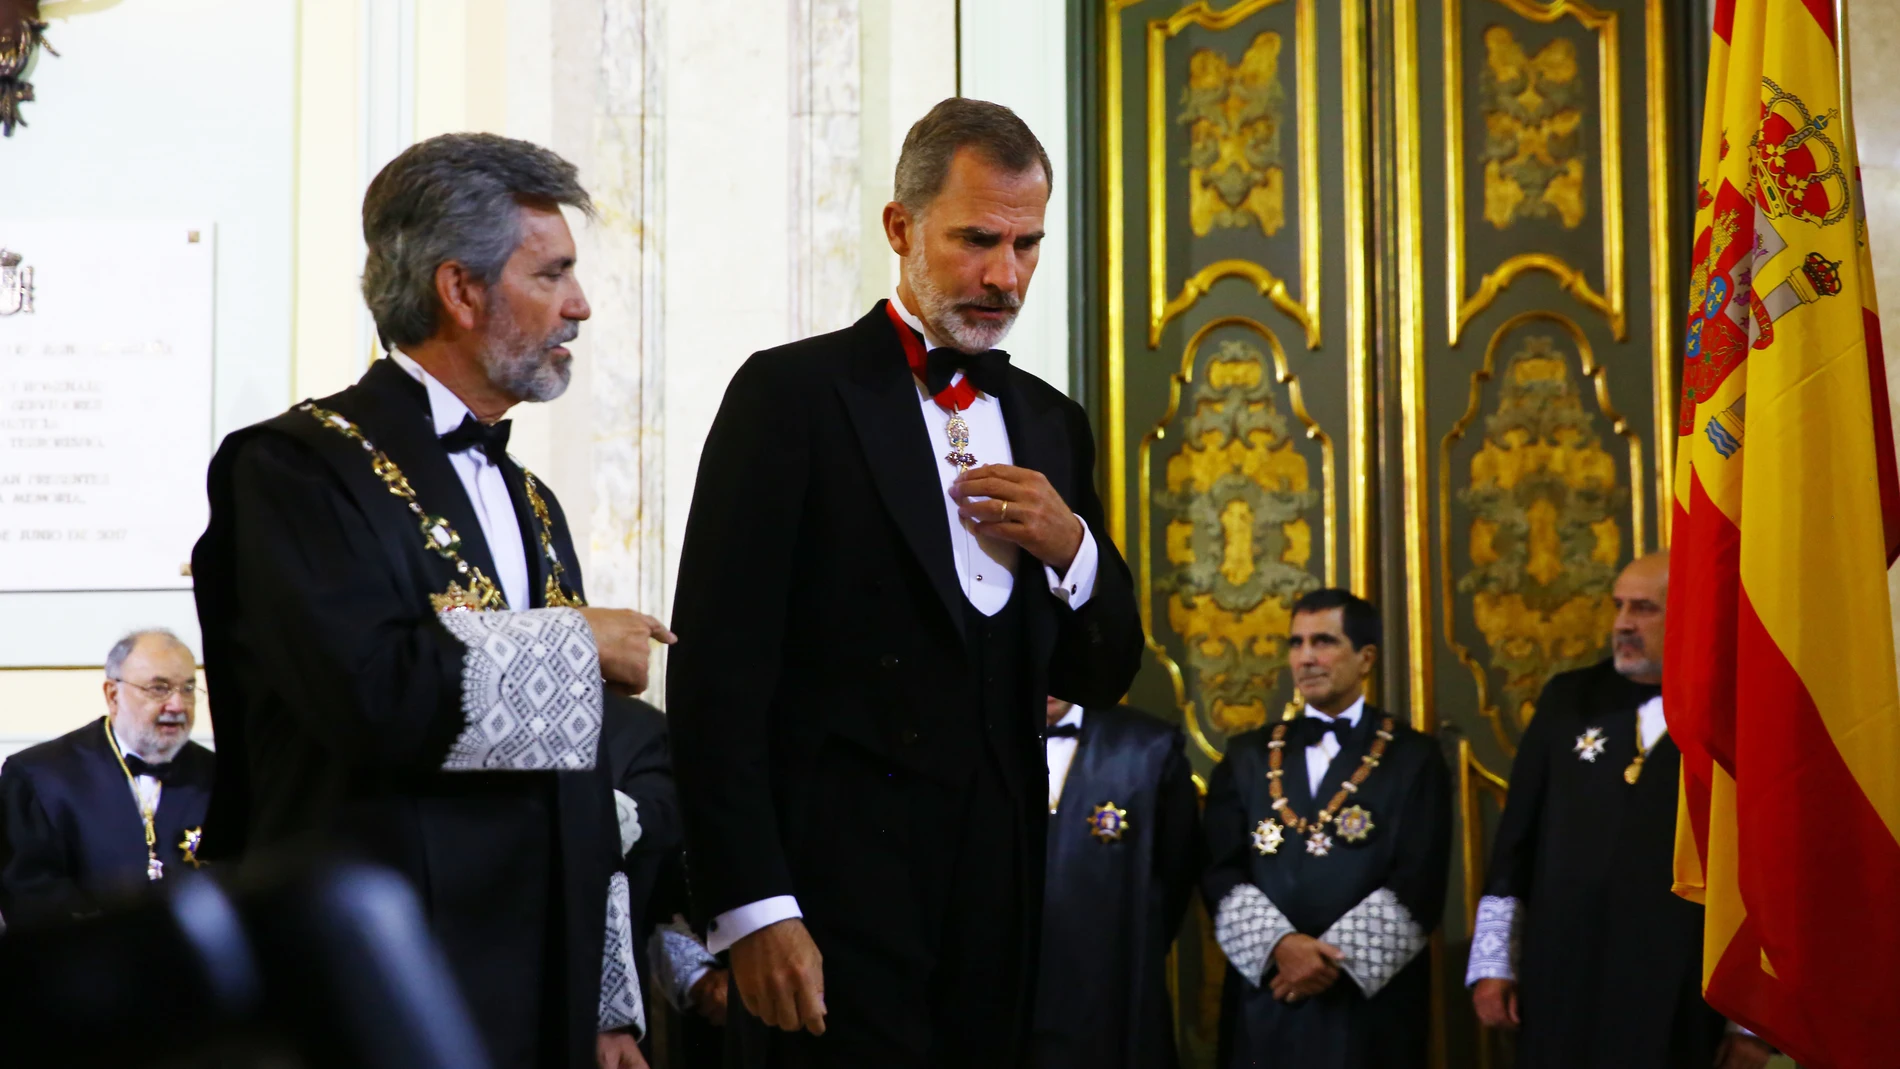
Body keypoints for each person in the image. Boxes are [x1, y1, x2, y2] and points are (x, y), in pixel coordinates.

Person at [667, 97, 1144, 1067]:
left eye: (1027, 245)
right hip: (831, 893)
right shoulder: (790, 396)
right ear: (899, 226)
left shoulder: (1054, 421)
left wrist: (1073, 548)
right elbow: (718, 677)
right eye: (977, 240)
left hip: (998, 903)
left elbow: (1105, 673)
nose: (1004, 276)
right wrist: (754, 907)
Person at [191, 133, 668, 1069]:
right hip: (388, 981)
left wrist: (607, 1000)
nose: (581, 306)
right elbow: (371, 695)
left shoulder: (533, 499)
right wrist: (574, 641)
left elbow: (580, 776)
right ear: (462, 290)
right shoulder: (293, 466)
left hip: (545, 990)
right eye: (553, 275)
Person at [1466, 552, 1775, 1069]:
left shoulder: (1734, 709)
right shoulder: (1568, 699)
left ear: (1690, 614)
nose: (1623, 624)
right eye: (1618, 606)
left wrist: (1751, 1023)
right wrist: (1494, 962)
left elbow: (1764, 871)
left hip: (1679, 989)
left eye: (1644, 608)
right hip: (1561, 978)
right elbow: (1515, 842)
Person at [1201, 588, 1451, 1069]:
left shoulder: (1414, 757)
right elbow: (1218, 869)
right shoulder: (1248, 756)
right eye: (1296, 644)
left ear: (1366, 658)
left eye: (1324, 642)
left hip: (1369, 1006)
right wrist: (1282, 948)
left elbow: (1421, 879)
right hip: (1268, 994)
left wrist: (1326, 964)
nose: (1306, 658)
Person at [0, 630, 214, 927]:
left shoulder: (220, 777)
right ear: (113, 695)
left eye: (188, 688)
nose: (177, 705)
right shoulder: (38, 777)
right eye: (159, 688)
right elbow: (29, 898)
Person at [1034, 696, 1200, 1069]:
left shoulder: (1148, 747)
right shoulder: (974, 741)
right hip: (1006, 995)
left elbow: (1176, 873)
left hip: (1112, 988)